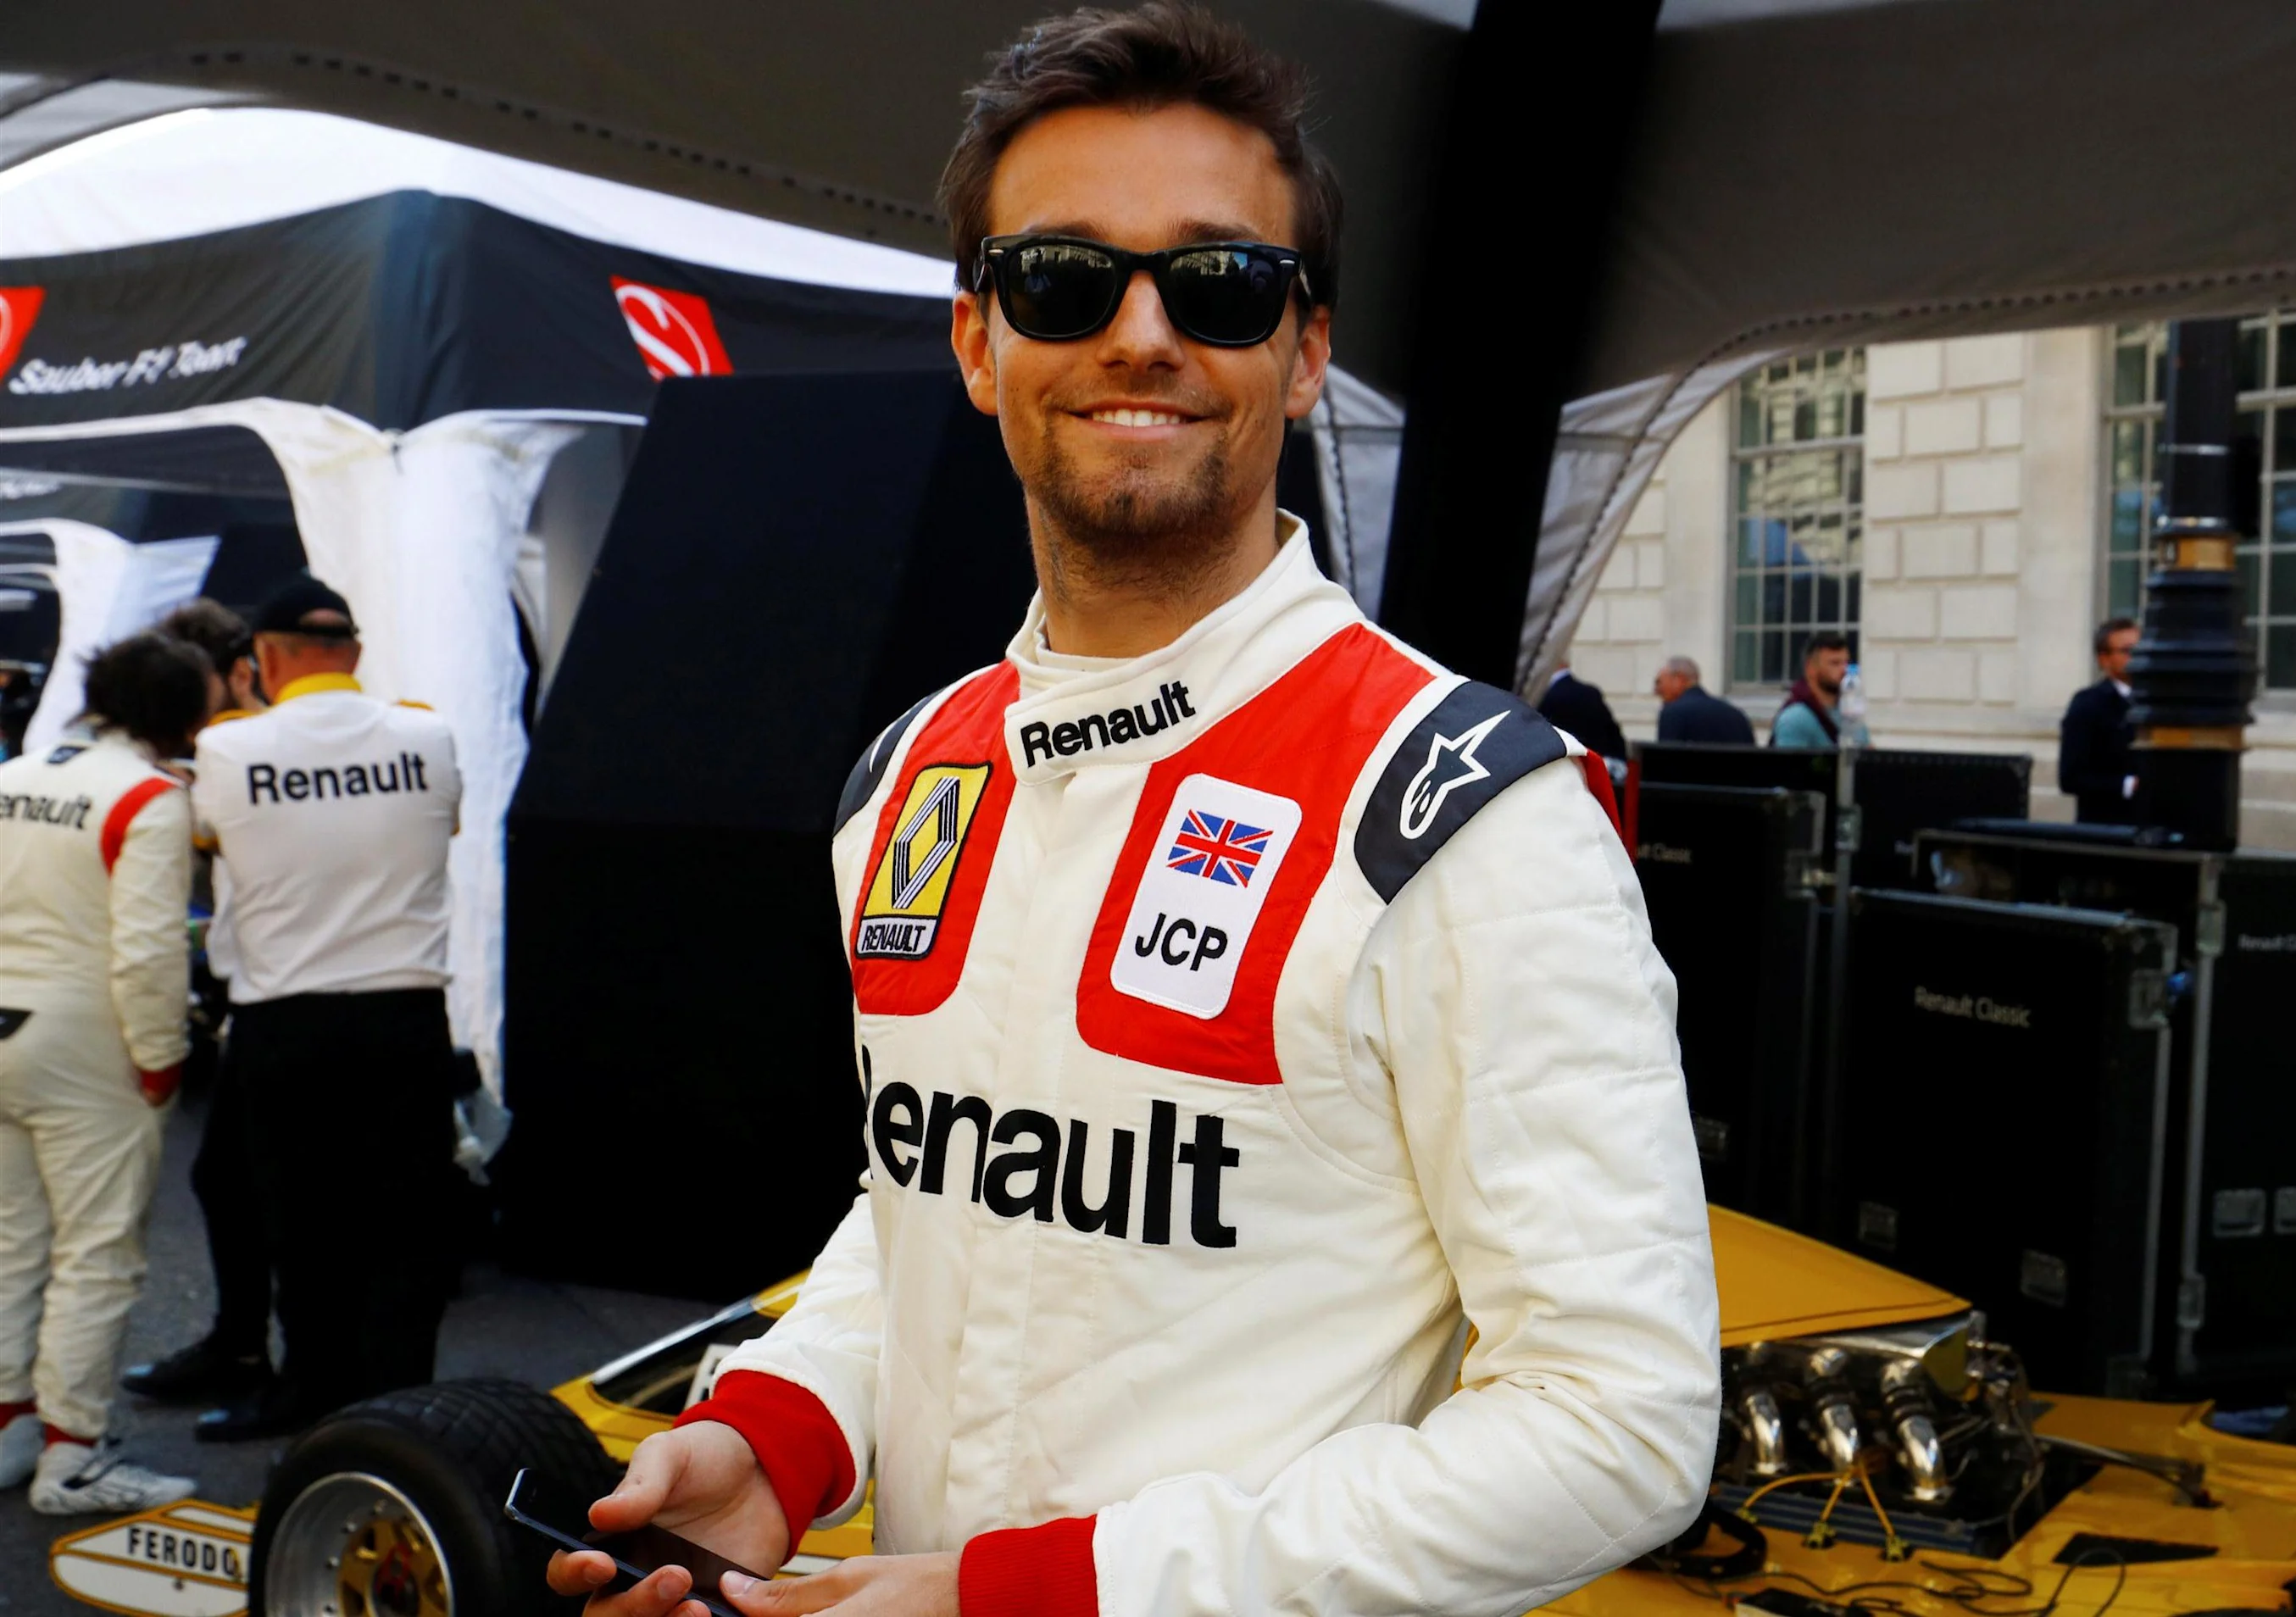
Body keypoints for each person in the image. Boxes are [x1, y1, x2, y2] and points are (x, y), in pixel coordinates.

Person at [550, 11, 1718, 1617]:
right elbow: (938, 1205)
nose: (1142, 334)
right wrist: (783, 1431)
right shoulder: (910, 775)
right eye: (1062, 279)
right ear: (978, 342)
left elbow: (1618, 1423)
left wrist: (1041, 1592)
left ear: (1304, 351)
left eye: (1219, 283)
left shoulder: (1472, 814)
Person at [186, 575, 464, 1442]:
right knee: (407, 1227)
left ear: (264, 660)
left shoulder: (227, 749)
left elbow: (205, 841)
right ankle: (399, 1413)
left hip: (285, 1027)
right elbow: (442, 826)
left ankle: (312, 1398)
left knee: (300, 1226)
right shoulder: (427, 731)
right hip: (405, 1020)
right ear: (354, 655)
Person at [0, 631, 210, 1513]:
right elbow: (150, 954)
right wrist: (161, 1059)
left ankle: (12, 1425)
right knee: (98, 1252)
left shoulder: (14, 774)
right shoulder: (150, 797)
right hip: (88, 1041)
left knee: (11, 1240)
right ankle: (73, 1454)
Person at [122, 598, 278, 1408]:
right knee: (229, 1178)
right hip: (253, 990)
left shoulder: (242, 753)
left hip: (286, 993)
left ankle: (257, 1355)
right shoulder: (220, 750)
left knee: (247, 1180)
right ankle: (243, 1345)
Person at [2057, 616, 2138, 825]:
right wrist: (2127, 785)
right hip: (2106, 828)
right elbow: (2070, 777)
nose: (2137, 657)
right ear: (2104, 659)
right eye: (2128, 651)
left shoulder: (2156, 700)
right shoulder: (2088, 703)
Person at [1770, 630, 1852, 747]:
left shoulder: (1850, 713)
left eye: (1846, 663)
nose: (1844, 670)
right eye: (1835, 663)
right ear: (1810, 668)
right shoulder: (1795, 719)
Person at [1651, 656, 1754, 745]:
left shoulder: (1672, 713)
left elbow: (1666, 762)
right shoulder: (1736, 715)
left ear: (1678, 680)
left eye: (1659, 682)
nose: (1656, 691)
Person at [1535, 663, 1627, 759]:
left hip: (1563, 759)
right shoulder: (1591, 692)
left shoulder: (1546, 696)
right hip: (1593, 758)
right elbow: (1612, 732)